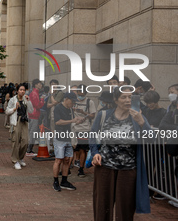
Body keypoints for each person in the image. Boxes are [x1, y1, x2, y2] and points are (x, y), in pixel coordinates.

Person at [90, 86, 152, 220]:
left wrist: (142, 123)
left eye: (130, 97)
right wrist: (95, 152)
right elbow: (93, 136)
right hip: (105, 167)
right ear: (115, 99)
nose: (127, 100)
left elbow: (151, 139)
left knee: (125, 210)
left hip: (128, 169)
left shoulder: (138, 118)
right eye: (123, 97)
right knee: (102, 208)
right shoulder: (104, 115)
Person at [52, 92, 82, 192]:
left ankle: (64, 181)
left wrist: (77, 121)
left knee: (67, 160)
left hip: (69, 137)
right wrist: (72, 121)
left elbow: (71, 122)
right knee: (59, 160)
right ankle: (55, 181)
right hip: (60, 138)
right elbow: (58, 122)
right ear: (66, 99)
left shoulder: (70, 110)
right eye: (72, 101)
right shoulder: (58, 108)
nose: (73, 103)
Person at [5, 84, 33, 169]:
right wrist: (14, 108)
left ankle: (20, 158)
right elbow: (7, 111)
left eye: (24, 90)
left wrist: (28, 101)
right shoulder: (13, 100)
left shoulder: (26, 99)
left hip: (24, 122)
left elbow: (31, 111)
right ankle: (15, 160)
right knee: (15, 142)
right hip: (16, 121)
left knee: (25, 142)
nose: (22, 91)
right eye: (20, 90)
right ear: (17, 91)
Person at [72, 84, 96, 178]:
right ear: (77, 92)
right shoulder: (73, 101)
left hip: (84, 128)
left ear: (86, 93)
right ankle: (71, 164)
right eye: (79, 93)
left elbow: (92, 115)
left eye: (83, 93)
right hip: (74, 127)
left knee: (83, 149)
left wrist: (83, 113)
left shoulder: (89, 102)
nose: (81, 95)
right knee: (74, 148)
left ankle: (81, 168)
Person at [27, 79, 45, 156]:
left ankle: (29, 149)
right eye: (39, 84)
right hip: (34, 115)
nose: (40, 85)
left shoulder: (34, 93)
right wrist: (42, 100)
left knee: (31, 132)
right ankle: (29, 150)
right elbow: (38, 105)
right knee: (32, 132)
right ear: (36, 85)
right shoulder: (34, 93)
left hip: (32, 114)